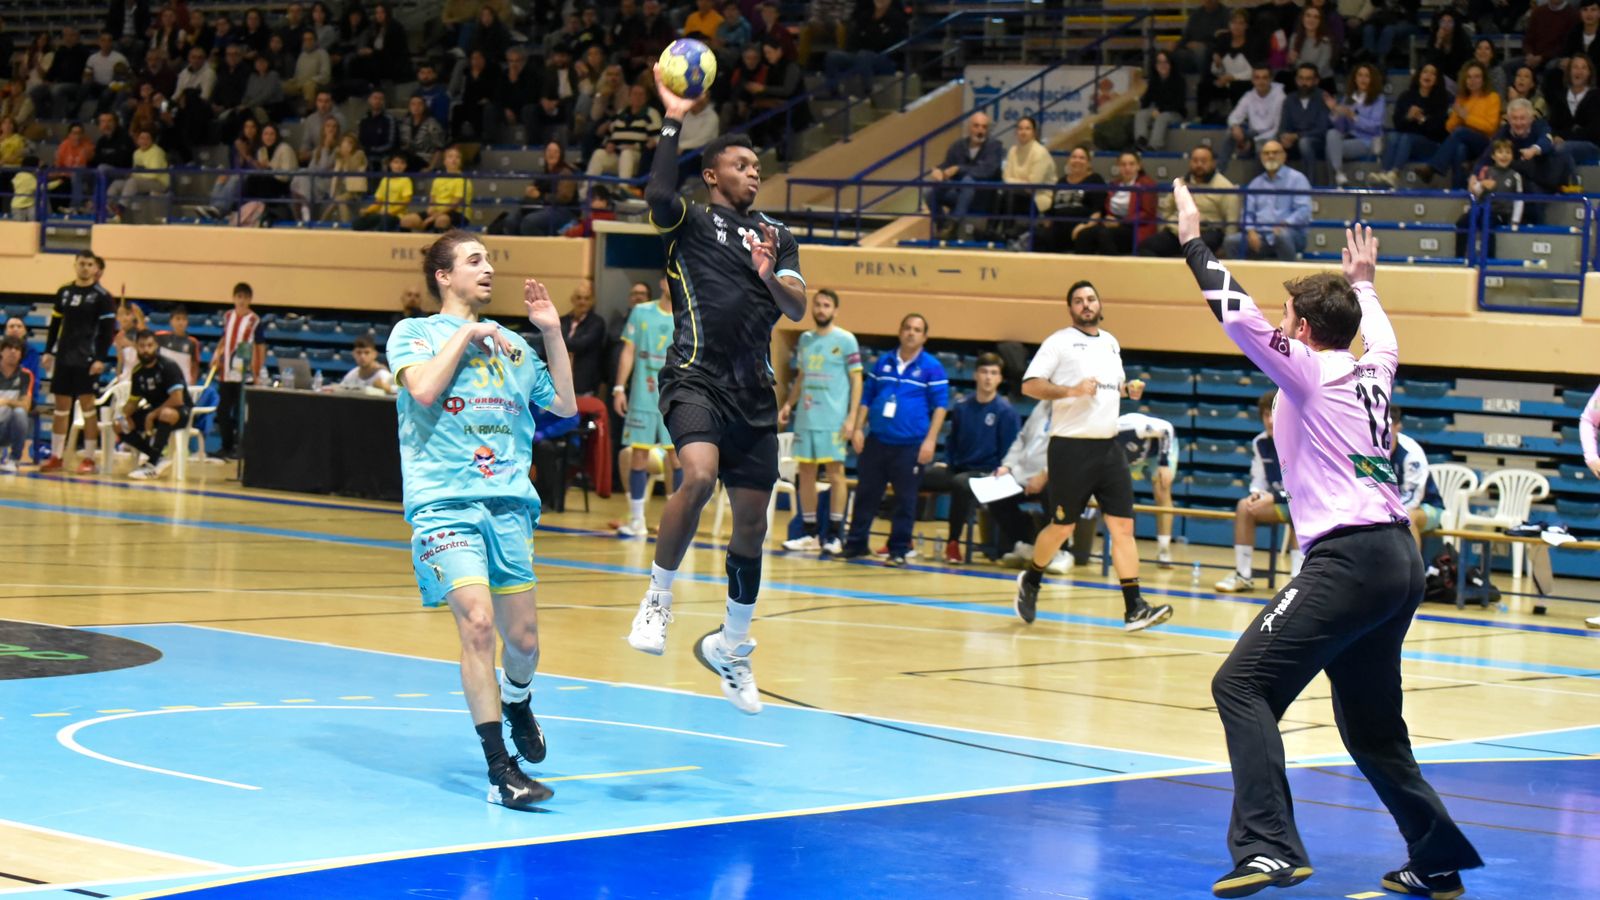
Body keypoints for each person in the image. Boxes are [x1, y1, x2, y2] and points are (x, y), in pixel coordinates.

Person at [1171, 181, 1484, 899]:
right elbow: (1385, 334)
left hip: (1348, 560)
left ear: (1304, 331)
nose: (1281, 326)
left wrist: (1193, 241)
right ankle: (1437, 862)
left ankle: (1269, 847)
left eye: (1289, 319)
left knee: (1240, 685)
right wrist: (1366, 283)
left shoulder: (1308, 373)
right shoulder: (1373, 370)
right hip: (1397, 558)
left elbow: (1238, 316)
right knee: (1373, 728)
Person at [625, 68, 807, 716]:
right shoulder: (690, 221)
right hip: (694, 377)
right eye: (740, 164)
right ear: (713, 175)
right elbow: (654, 191)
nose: (752, 173)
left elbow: (799, 307)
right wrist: (672, 118)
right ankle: (658, 599)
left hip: (754, 393)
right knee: (696, 476)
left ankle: (731, 647)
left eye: (757, 165)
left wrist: (769, 273)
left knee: (754, 527)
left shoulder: (777, 236)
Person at [386, 231, 576, 810]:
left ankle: (518, 700)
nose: (489, 268)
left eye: (489, 259)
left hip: (509, 506)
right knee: (477, 624)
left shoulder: (515, 345)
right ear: (444, 276)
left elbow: (565, 405)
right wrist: (467, 334)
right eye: (475, 261)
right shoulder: (414, 334)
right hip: (444, 502)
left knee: (522, 643)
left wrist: (550, 332)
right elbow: (421, 389)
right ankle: (502, 770)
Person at [1010, 280, 1173, 630]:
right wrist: (1070, 390)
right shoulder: (1059, 342)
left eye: (1091, 299)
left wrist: (1129, 391)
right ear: (1070, 308)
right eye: (1079, 301)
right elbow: (1029, 384)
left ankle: (1134, 607)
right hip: (1071, 448)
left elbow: (1109, 391)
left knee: (1123, 526)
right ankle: (1032, 580)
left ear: (1099, 304)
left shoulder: (1112, 343)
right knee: (1063, 526)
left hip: (1108, 446)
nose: (1086, 305)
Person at [836, 314, 949, 566]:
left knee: (905, 500)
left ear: (924, 337)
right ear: (900, 331)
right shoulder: (883, 361)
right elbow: (867, 397)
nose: (911, 333)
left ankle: (898, 549)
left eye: (917, 330)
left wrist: (930, 441)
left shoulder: (932, 367)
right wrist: (857, 429)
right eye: (907, 328)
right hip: (877, 441)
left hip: (910, 445)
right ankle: (856, 544)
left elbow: (940, 407)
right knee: (867, 495)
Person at [779, 288, 862, 554]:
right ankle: (810, 533)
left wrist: (852, 418)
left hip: (834, 419)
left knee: (836, 474)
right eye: (818, 305)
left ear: (835, 310)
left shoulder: (846, 340)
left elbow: (856, 380)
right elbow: (802, 377)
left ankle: (836, 535)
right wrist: (789, 404)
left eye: (827, 305)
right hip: (805, 417)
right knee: (805, 473)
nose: (821, 309)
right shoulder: (805, 340)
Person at [920, 352, 1018, 565]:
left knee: (960, 484)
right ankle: (902, 540)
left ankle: (953, 543)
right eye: (984, 372)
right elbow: (952, 440)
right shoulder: (962, 407)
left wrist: (1001, 471)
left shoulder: (1006, 412)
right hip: (959, 467)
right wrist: (945, 460)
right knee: (916, 476)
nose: (988, 377)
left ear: (1000, 378)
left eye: (993, 373)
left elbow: (1010, 452)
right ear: (976, 375)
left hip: (989, 473)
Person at [613, 276, 680, 537]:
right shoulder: (641, 313)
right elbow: (628, 351)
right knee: (638, 454)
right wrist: (619, 387)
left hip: (673, 397)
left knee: (676, 457)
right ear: (663, 282)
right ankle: (637, 520)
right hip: (642, 394)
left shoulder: (687, 318)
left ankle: (676, 522)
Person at [39, 251, 117, 474]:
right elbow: (55, 326)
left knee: (88, 408)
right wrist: (48, 352)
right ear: (75, 265)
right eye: (81, 263)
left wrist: (100, 358)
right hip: (64, 358)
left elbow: (107, 332)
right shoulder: (64, 292)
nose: (84, 267)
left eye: (89, 264)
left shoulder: (102, 296)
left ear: (96, 269)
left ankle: (89, 459)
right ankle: (56, 457)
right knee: (61, 409)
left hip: (87, 359)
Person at [1214, 391, 1298, 593]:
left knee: (1300, 509)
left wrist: (1274, 497)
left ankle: (1297, 581)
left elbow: (1304, 489)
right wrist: (1257, 493)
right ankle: (1243, 575)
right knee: (1244, 506)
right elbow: (1259, 478)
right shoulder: (1260, 442)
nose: (1270, 420)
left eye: (1274, 414)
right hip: (1277, 502)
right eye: (1265, 415)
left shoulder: (1299, 439)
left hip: (1302, 502)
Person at [117, 329, 191, 480]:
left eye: (149, 345)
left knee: (166, 413)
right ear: (136, 347)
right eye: (142, 346)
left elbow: (177, 399)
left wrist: (152, 415)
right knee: (119, 424)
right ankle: (155, 457)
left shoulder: (167, 366)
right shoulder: (137, 372)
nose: (145, 350)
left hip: (179, 412)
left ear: (156, 346)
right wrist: (124, 415)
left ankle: (151, 465)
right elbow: (133, 401)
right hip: (154, 412)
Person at [1141, 145, 1237, 257]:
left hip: (1206, 232)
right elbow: (1167, 208)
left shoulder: (1225, 187)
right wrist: (1166, 227)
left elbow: (1232, 221)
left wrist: (1225, 248)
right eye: (1195, 160)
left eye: (1204, 161)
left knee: (1193, 254)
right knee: (1146, 247)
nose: (1199, 164)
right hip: (1176, 231)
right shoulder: (1180, 183)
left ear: (1213, 163)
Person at [1223, 140, 1311, 261]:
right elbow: (1247, 213)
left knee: (1282, 236)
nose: (1271, 156)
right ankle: (1239, 278)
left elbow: (1303, 211)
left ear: (1284, 156)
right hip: (1261, 235)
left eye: (1275, 152)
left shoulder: (1297, 179)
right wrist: (1251, 231)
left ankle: (1289, 277)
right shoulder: (1255, 183)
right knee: (1231, 242)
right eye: (1266, 153)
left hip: (1291, 234)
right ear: (1261, 157)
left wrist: (1284, 224)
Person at [1114, 411, 1179, 566]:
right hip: (1130, 458)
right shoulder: (1101, 439)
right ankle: (1113, 545)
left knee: (1162, 490)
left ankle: (1164, 550)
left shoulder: (1137, 427)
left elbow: (1167, 429)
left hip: (1158, 451)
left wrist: (1163, 463)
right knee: (1113, 494)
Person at [209, 281, 264, 461]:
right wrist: (216, 354)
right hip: (226, 371)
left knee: (242, 412)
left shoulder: (254, 320)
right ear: (234, 298)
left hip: (244, 373)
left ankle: (242, 448)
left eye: (245, 297)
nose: (241, 301)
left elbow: (260, 346)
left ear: (250, 300)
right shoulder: (228, 316)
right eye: (238, 297)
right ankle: (226, 446)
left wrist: (257, 371)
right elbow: (225, 338)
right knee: (223, 410)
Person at [1372, 63, 1452, 188]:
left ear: (1437, 79)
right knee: (1392, 136)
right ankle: (1383, 172)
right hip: (1406, 143)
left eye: (1433, 73)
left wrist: (1422, 119)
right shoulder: (1406, 96)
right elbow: (1398, 124)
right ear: (1419, 75)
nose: (1428, 75)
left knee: (1406, 138)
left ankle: (1395, 173)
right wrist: (1408, 117)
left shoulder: (1442, 99)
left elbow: (1440, 130)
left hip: (1431, 144)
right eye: (1425, 71)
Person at [925, 111, 1002, 241]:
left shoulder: (994, 146)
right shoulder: (958, 146)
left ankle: (953, 224)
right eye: (976, 126)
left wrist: (959, 169)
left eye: (984, 127)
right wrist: (939, 171)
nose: (980, 130)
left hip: (982, 196)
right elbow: (948, 165)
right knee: (929, 193)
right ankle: (944, 226)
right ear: (969, 127)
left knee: (968, 180)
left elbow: (987, 170)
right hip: (959, 194)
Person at [1074, 151, 1158, 256]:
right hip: (1111, 224)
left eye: (1131, 164)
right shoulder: (1114, 184)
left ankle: (1113, 270)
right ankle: (1083, 270)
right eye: (1123, 164)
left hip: (1134, 228)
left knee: (1105, 234)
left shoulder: (1147, 184)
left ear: (1138, 166)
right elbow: (1105, 209)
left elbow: (1147, 214)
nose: (1127, 168)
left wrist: (1120, 222)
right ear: (1118, 166)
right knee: (1084, 234)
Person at [1389, 409, 1443, 549]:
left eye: (1387, 425)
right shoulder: (1371, 448)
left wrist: (1387, 515)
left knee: (1408, 518)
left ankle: (1413, 571)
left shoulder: (1411, 452)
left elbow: (1413, 501)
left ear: (1397, 426)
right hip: (1389, 508)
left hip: (1426, 507)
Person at [1325, 62, 1386, 187]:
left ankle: (1334, 183)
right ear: (1355, 78)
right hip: (1348, 138)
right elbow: (1341, 128)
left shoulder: (1378, 99)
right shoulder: (1349, 98)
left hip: (1368, 141)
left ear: (1372, 79)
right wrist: (1335, 111)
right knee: (1331, 134)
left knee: (1330, 149)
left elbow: (1375, 126)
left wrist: (1353, 116)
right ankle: (1339, 174)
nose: (1363, 79)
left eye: (1367, 76)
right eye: (1360, 75)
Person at [558, 280, 607, 398]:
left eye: (586, 298)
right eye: (579, 298)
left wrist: (557, 341)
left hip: (584, 384)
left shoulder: (597, 323)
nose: (582, 301)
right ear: (573, 300)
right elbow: (547, 346)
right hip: (559, 381)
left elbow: (580, 345)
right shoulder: (562, 321)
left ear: (592, 301)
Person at [1226, 66, 1285, 163]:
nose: (1261, 82)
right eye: (1257, 78)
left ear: (1271, 79)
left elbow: (1277, 129)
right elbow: (1233, 117)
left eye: (1264, 78)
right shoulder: (1249, 96)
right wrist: (1234, 126)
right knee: (1230, 133)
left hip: (1272, 136)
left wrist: (1254, 142)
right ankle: (1220, 171)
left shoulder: (1280, 97)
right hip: (1254, 134)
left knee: (1263, 148)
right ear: (1252, 80)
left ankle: (1262, 177)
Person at [1135, 50, 1187, 151]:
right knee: (1141, 114)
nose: (1162, 65)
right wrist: (1142, 106)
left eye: (1165, 62)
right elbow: (1147, 99)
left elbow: (1178, 103)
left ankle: (1154, 145)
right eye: (1159, 62)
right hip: (1159, 110)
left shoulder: (1179, 81)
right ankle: (1141, 140)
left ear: (1170, 64)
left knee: (1162, 117)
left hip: (1175, 112)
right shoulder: (1154, 80)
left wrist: (1161, 110)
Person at [353, 152, 413, 231]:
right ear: (390, 164)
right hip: (381, 214)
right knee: (357, 223)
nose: (398, 166)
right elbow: (379, 202)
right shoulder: (385, 180)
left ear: (405, 166)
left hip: (397, 215)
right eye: (396, 162)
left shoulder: (406, 180)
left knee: (383, 225)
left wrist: (390, 212)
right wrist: (367, 210)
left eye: (402, 163)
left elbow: (405, 202)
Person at [0, 335, 33, 473]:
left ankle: (14, 460)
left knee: (20, 413)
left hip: (6, 428)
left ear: (21, 354)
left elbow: (25, 406)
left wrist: (6, 401)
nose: (13, 351)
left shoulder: (25, 375)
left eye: (17, 349)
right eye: (9, 348)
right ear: (1, 351)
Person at [154, 304, 201, 383]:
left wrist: (193, 383)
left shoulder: (193, 342)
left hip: (184, 382)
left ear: (187, 322)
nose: (181, 322)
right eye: (178, 319)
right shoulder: (161, 336)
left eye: (184, 319)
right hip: (164, 381)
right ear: (171, 321)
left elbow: (195, 365)